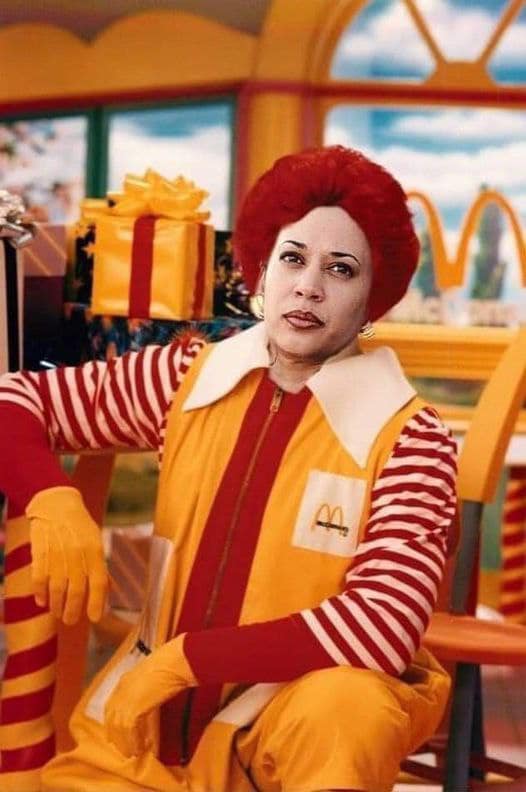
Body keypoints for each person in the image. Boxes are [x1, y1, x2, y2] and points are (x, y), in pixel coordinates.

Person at [0, 146, 457, 792]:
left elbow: (382, 623)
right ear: (261, 271)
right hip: (140, 735)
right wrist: (51, 495)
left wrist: (187, 660)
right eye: (293, 258)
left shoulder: (412, 439)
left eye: (341, 269)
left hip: (284, 746)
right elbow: (14, 400)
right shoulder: (184, 377)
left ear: (372, 298)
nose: (309, 286)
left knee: (350, 705)